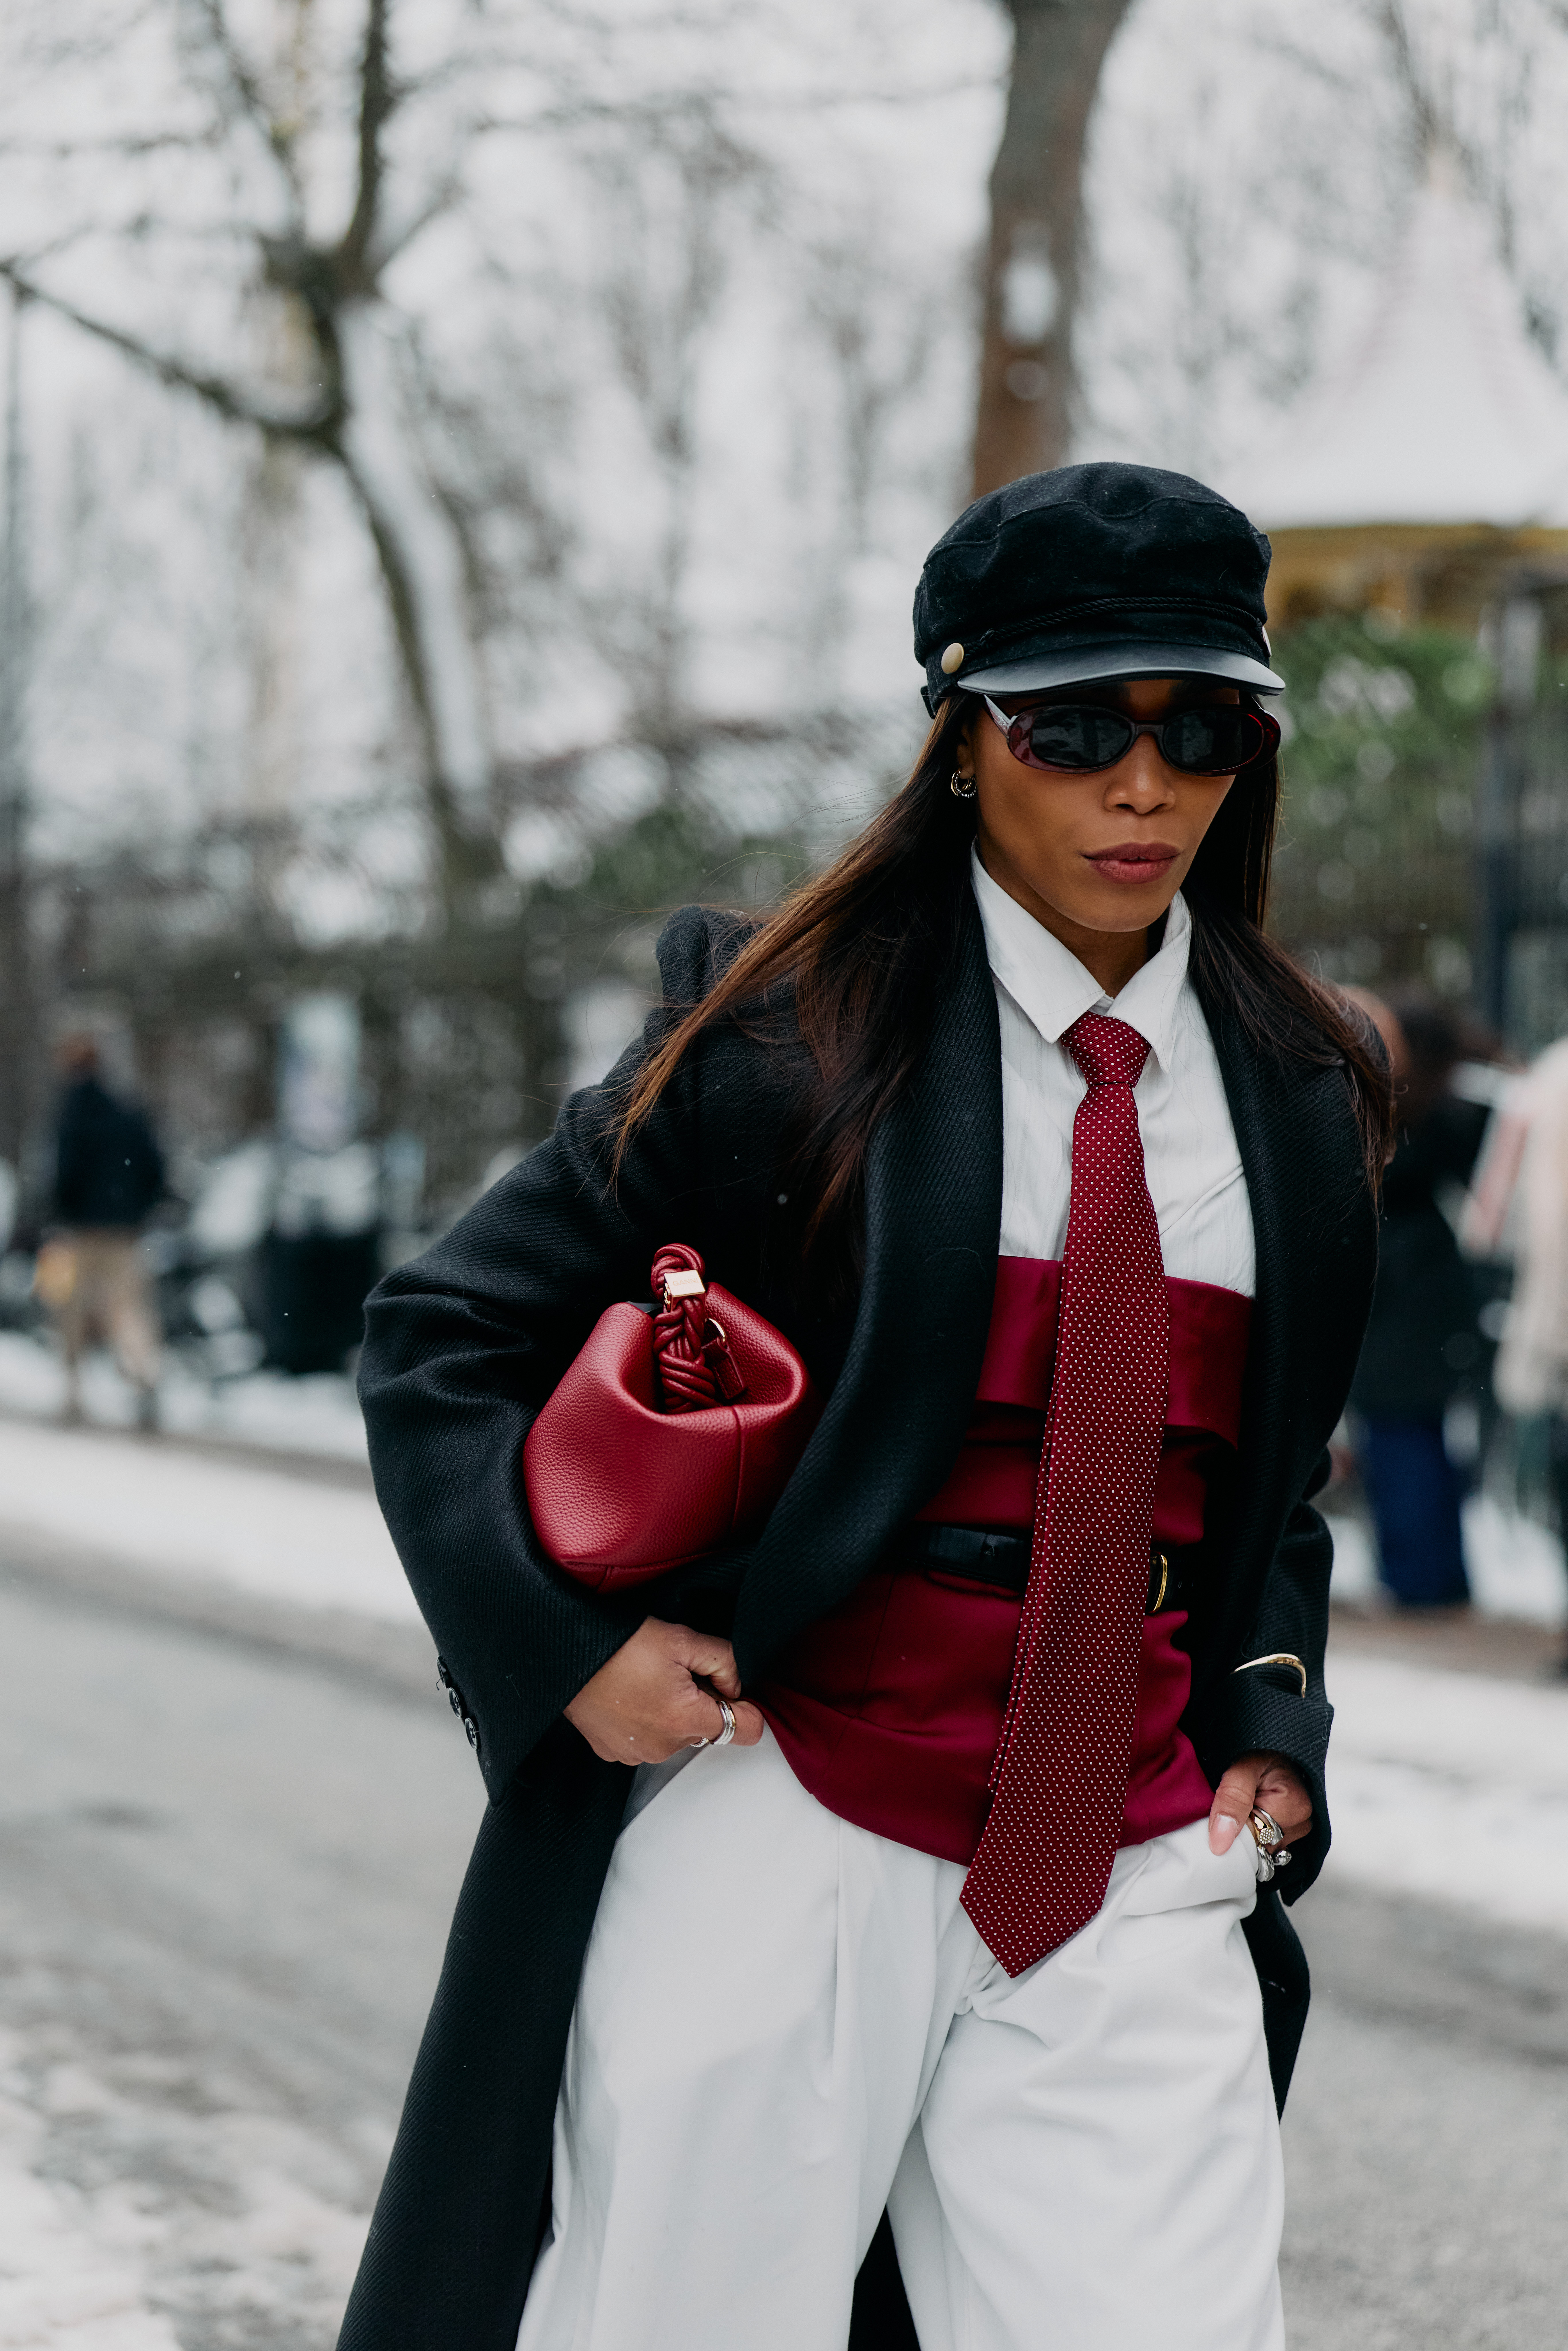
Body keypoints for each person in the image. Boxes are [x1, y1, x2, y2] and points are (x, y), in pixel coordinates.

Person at [338, 465, 1389, 2351]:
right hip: (797, 1801)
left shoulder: (1304, 1090)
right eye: (1073, 726)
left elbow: (1262, 1481)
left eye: (1203, 729)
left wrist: (1267, 1709)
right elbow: (442, 1336)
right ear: (962, 740)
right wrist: (567, 1648)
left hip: (1131, 1850)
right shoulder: (782, 1040)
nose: (1142, 784)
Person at [1347, 992, 1487, 1608]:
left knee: (1399, 1436)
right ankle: (1436, 1573)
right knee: (1418, 1435)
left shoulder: (1404, 1115)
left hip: (1401, 1299)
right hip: (1424, 1295)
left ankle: (1416, 1577)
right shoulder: (1439, 1112)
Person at [40, 1032, 166, 1428]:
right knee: (128, 1309)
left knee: (68, 1307)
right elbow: (155, 1167)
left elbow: (64, 1172)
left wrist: (61, 1211)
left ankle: (73, 1390)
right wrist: (137, 1209)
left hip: (77, 1231)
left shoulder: (72, 1112)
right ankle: (145, 1376)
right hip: (125, 1231)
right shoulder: (126, 1110)